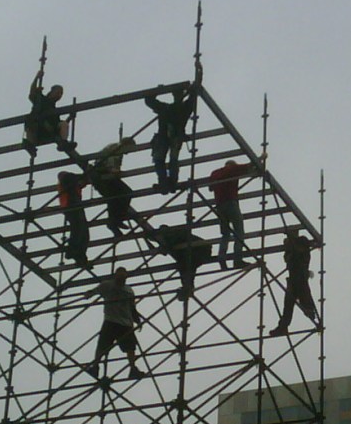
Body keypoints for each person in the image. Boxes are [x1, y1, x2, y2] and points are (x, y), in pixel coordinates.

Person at [144, 61, 202, 193]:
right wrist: (199, 73)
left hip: (166, 138)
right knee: (171, 160)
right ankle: (170, 182)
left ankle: (165, 182)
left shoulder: (166, 108)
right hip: (174, 137)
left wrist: (157, 91)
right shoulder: (184, 108)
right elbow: (195, 90)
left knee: (161, 160)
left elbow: (148, 100)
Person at [86, 267, 145, 380]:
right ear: (115, 275)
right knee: (102, 346)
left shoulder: (129, 290)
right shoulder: (107, 285)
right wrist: (89, 294)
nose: (121, 277)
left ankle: (132, 369)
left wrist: (137, 319)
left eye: (123, 275)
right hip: (112, 321)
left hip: (124, 323)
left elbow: (132, 307)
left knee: (130, 348)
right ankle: (95, 367)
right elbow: (95, 291)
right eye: (119, 274)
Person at [207, 156, 265, 269]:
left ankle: (221, 258)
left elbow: (210, 188)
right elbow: (248, 166)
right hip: (231, 204)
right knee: (239, 233)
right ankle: (237, 260)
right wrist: (261, 158)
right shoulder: (233, 169)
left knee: (225, 234)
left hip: (219, 206)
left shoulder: (215, 173)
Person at [269, 227, 320, 336]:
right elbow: (287, 258)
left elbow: (301, 251)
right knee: (288, 305)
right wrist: (289, 247)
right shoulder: (290, 246)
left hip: (300, 275)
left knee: (304, 295)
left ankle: (310, 310)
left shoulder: (302, 241)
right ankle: (283, 327)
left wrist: (292, 244)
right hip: (293, 277)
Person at [148, 224, 212, 301]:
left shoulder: (174, 234)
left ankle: (188, 287)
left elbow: (164, 250)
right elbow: (163, 250)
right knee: (186, 268)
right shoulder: (171, 236)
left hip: (199, 250)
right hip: (198, 251)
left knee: (185, 267)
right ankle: (188, 287)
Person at [90, 136, 136, 236]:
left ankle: (115, 221)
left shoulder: (116, 148)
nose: (130, 152)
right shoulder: (116, 149)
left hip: (103, 174)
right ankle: (115, 221)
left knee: (115, 197)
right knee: (119, 195)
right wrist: (115, 171)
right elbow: (111, 165)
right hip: (103, 175)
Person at [24, 69, 74, 156]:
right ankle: (30, 146)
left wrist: (70, 118)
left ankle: (63, 143)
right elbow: (32, 92)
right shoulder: (41, 100)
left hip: (49, 131)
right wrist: (37, 77)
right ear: (52, 91)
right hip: (37, 129)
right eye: (58, 92)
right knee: (31, 123)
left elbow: (58, 125)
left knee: (64, 124)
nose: (59, 95)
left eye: (61, 94)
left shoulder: (54, 110)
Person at [57, 171, 89, 267]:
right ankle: (73, 251)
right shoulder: (66, 179)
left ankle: (79, 256)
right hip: (70, 206)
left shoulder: (73, 185)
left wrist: (84, 178)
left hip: (73, 205)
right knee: (78, 229)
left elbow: (81, 183)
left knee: (82, 232)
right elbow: (71, 178)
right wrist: (86, 174)